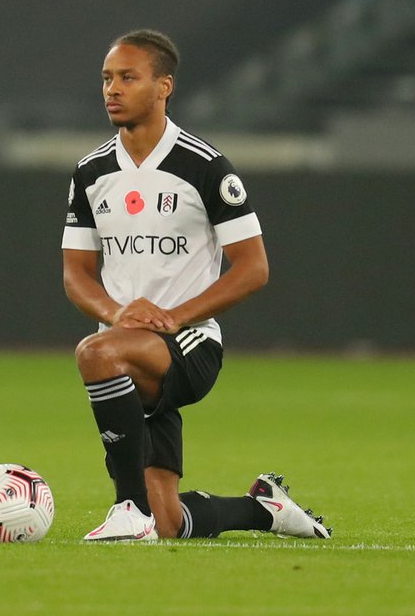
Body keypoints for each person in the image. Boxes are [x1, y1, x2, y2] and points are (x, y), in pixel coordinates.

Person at [62, 29, 331, 541]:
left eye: (127, 77)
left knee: (93, 355)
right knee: (169, 524)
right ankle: (264, 510)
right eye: (106, 79)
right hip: (126, 351)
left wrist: (176, 315)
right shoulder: (91, 171)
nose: (111, 89)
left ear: (163, 87)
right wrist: (118, 314)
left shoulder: (204, 166)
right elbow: (75, 272)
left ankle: (126, 510)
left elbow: (253, 267)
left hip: (188, 346)